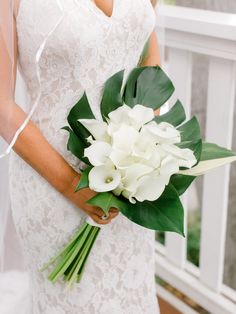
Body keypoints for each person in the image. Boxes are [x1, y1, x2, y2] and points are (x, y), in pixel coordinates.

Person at [0, 0, 161, 313]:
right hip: (51, 185)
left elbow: (148, 54)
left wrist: (140, 146)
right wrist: (74, 186)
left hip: (129, 181)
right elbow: (2, 105)